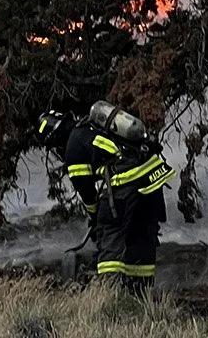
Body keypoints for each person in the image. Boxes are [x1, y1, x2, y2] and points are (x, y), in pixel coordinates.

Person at [36, 101, 175, 293]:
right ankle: (140, 293)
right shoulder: (90, 128)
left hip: (127, 181)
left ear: (54, 138)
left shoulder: (72, 146)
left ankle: (110, 296)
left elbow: (86, 191)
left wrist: (95, 218)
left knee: (110, 232)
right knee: (141, 236)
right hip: (152, 179)